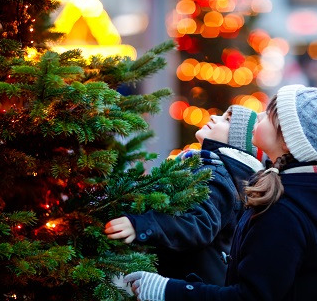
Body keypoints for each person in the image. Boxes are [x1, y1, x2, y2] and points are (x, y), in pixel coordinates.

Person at [122, 84, 317, 301]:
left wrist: (166, 290)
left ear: (289, 141)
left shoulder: (284, 213)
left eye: (269, 116)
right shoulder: (304, 194)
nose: (258, 117)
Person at [104, 105, 264, 286]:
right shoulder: (213, 169)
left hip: (194, 289)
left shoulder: (216, 176)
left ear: (237, 142)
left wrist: (143, 225)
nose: (214, 117)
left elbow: (198, 223)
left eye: (227, 120)